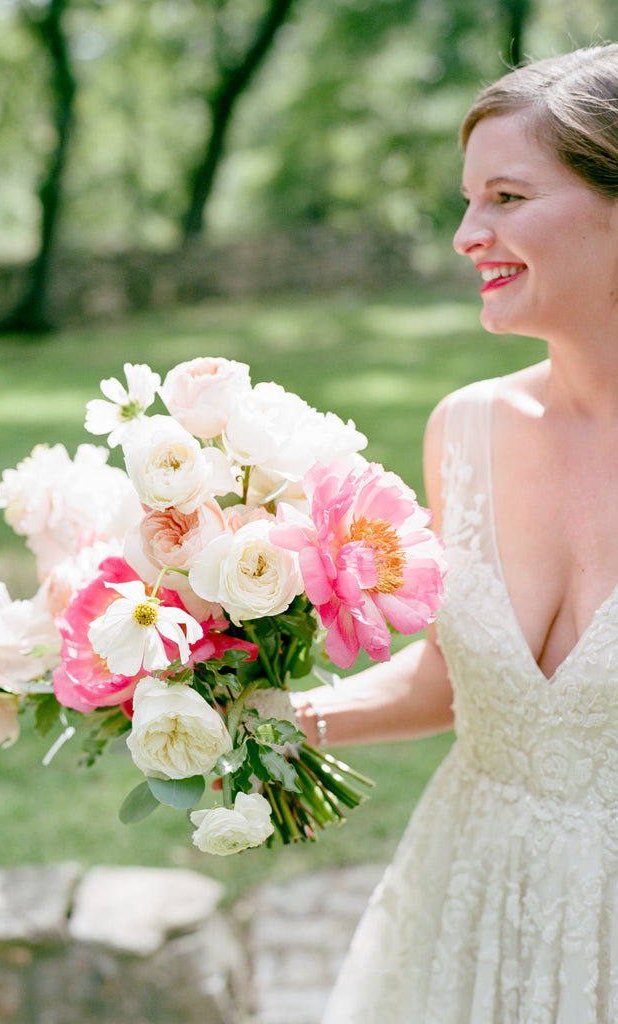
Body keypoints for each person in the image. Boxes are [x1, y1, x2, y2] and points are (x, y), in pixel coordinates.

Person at [294, 43, 618, 1023]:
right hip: (466, 905)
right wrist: (247, 725)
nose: (466, 235)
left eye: (507, 198)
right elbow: (451, 682)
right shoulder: (466, 429)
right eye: (469, 201)